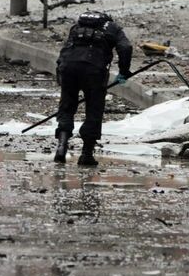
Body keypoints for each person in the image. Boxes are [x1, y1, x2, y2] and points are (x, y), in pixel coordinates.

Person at [54, 11, 133, 167]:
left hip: (68, 68)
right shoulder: (113, 28)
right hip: (94, 70)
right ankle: (86, 154)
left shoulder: (77, 27)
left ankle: (62, 146)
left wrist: (60, 71)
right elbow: (126, 47)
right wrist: (124, 71)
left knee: (67, 106)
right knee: (93, 110)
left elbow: (65, 50)